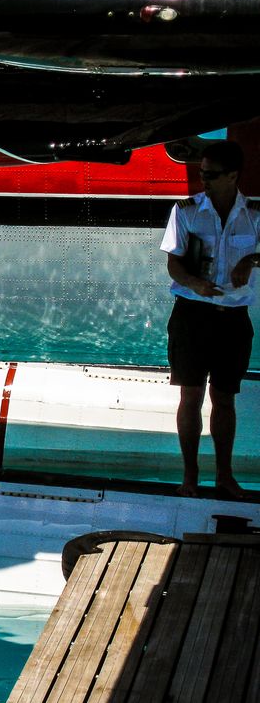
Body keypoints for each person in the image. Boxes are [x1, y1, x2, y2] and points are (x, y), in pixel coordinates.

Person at [160, 140, 260, 498]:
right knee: (191, 395)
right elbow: (173, 261)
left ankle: (225, 476)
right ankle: (190, 477)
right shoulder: (186, 211)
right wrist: (194, 283)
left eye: (212, 175)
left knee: (225, 398)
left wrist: (250, 261)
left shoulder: (255, 213)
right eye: (202, 173)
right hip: (192, 315)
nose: (204, 180)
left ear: (233, 175)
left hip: (232, 317)